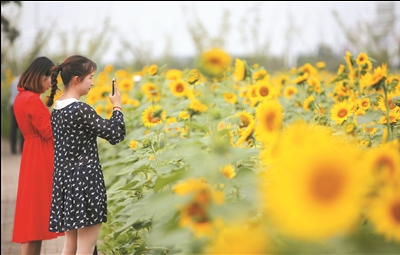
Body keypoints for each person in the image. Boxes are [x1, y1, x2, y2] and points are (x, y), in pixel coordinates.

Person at [47, 55, 126, 254]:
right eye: (90, 77)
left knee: (70, 246)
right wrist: (117, 106)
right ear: (76, 79)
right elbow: (115, 134)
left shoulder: (57, 109)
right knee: (86, 248)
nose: (92, 82)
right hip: (85, 184)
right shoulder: (80, 109)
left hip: (66, 183)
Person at [11, 56, 64, 254]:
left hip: (31, 154)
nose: (51, 83)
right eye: (50, 78)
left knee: (32, 218)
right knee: (35, 216)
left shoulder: (21, 97)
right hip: (40, 157)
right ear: (39, 76)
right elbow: (49, 132)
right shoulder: (32, 100)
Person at [9, 75, 24, 154]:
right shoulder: (24, 81)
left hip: (13, 105)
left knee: (13, 128)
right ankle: (22, 148)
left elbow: (10, 93)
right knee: (22, 127)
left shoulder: (14, 80)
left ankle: (13, 149)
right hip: (21, 105)